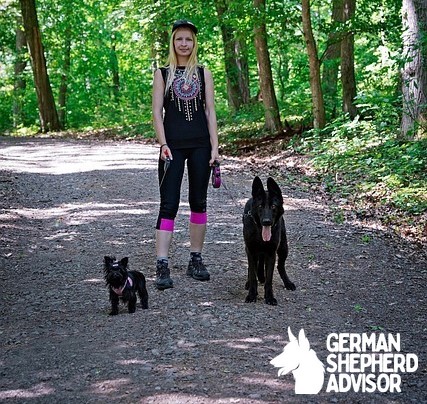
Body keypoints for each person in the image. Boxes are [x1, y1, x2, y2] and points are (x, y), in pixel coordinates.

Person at [152, 19, 219, 290]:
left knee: (198, 202)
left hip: (201, 144)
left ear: (194, 43)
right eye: (179, 39)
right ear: (173, 42)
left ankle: (196, 258)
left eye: (188, 40)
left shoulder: (204, 73)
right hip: (173, 146)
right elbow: (157, 112)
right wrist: (163, 143)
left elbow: (210, 111)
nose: (184, 44)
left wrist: (215, 146)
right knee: (169, 204)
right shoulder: (163, 73)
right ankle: (162, 263)